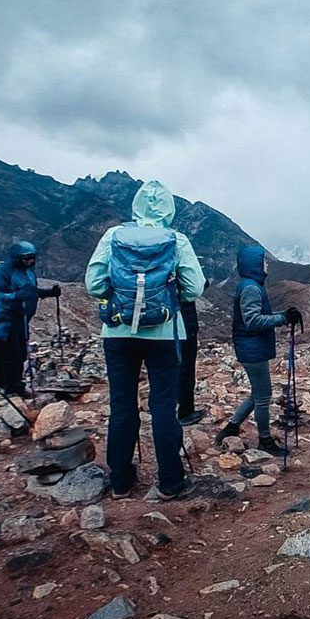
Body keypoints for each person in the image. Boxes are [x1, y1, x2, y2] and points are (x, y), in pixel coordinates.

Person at [85, 180, 206, 499]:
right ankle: (170, 480)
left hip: (118, 332)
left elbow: (94, 284)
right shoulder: (176, 240)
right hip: (165, 334)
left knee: (122, 404)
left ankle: (121, 480)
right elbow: (195, 288)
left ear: (136, 206)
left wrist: (119, 294)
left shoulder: (113, 236)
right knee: (164, 406)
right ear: (169, 209)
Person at [217, 244, 303, 455]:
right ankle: (264, 440)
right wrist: (283, 318)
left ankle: (232, 427)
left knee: (257, 393)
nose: (267, 264)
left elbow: (255, 315)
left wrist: (283, 313)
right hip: (252, 348)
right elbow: (253, 320)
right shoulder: (252, 288)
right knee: (263, 396)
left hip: (250, 347)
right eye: (263, 261)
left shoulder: (250, 285)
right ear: (254, 264)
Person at [0, 241, 59, 396]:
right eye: (26, 258)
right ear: (16, 257)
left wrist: (49, 293)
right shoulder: (5, 271)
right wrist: (15, 296)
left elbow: (31, 291)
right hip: (6, 318)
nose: (29, 261)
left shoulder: (29, 272)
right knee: (11, 353)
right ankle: (11, 387)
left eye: (32, 258)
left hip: (22, 318)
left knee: (18, 352)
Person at [176, 299, 205, 425]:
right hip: (184, 321)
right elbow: (197, 287)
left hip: (158, 323)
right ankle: (185, 412)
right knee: (186, 369)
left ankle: (161, 408)